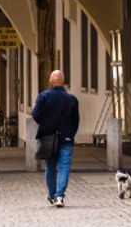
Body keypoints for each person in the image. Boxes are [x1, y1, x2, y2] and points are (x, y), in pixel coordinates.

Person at [31, 69, 79, 208]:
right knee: (64, 167)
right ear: (63, 82)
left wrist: (46, 124)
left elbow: (35, 115)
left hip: (48, 137)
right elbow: (76, 120)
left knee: (50, 168)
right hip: (66, 138)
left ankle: (52, 196)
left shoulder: (43, 96)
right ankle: (59, 196)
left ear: (50, 81)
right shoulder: (72, 99)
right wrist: (70, 133)